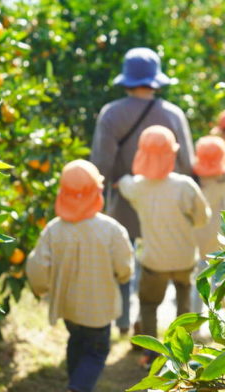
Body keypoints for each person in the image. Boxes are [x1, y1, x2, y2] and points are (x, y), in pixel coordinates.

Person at [90, 47, 195, 335]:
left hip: (126, 200)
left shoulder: (111, 114)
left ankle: (124, 320)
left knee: (124, 260)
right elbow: (187, 162)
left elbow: (100, 163)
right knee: (159, 261)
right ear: (156, 80)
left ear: (126, 80)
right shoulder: (173, 114)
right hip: (167, 205)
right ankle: (172, 328)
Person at [25, 159, 134, 392]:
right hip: (99, 307)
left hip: (69, 306)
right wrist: (122, 276)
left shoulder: (54, 230)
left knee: (76, 341)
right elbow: (124, 266)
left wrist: (40, 288)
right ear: (96, 192)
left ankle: (74, 383)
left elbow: (37, 267)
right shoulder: (110, 230)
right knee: (96, 350)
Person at [117, 125, 210, 367]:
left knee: (149, 305)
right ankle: (182, 351)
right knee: (184, 303)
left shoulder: (137, 186)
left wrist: (120, 179)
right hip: (185, 258)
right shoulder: (185, 185)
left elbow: (124, 183)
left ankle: (151, 353)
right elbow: (203, 217)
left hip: (154, 262)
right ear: (172, 154)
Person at [191, 136, 225, 313]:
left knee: (199, 281)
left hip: (196, 235)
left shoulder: (193, 180)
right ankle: (224, 319)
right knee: (221, 279)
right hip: (220, 236)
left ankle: (195, 324)